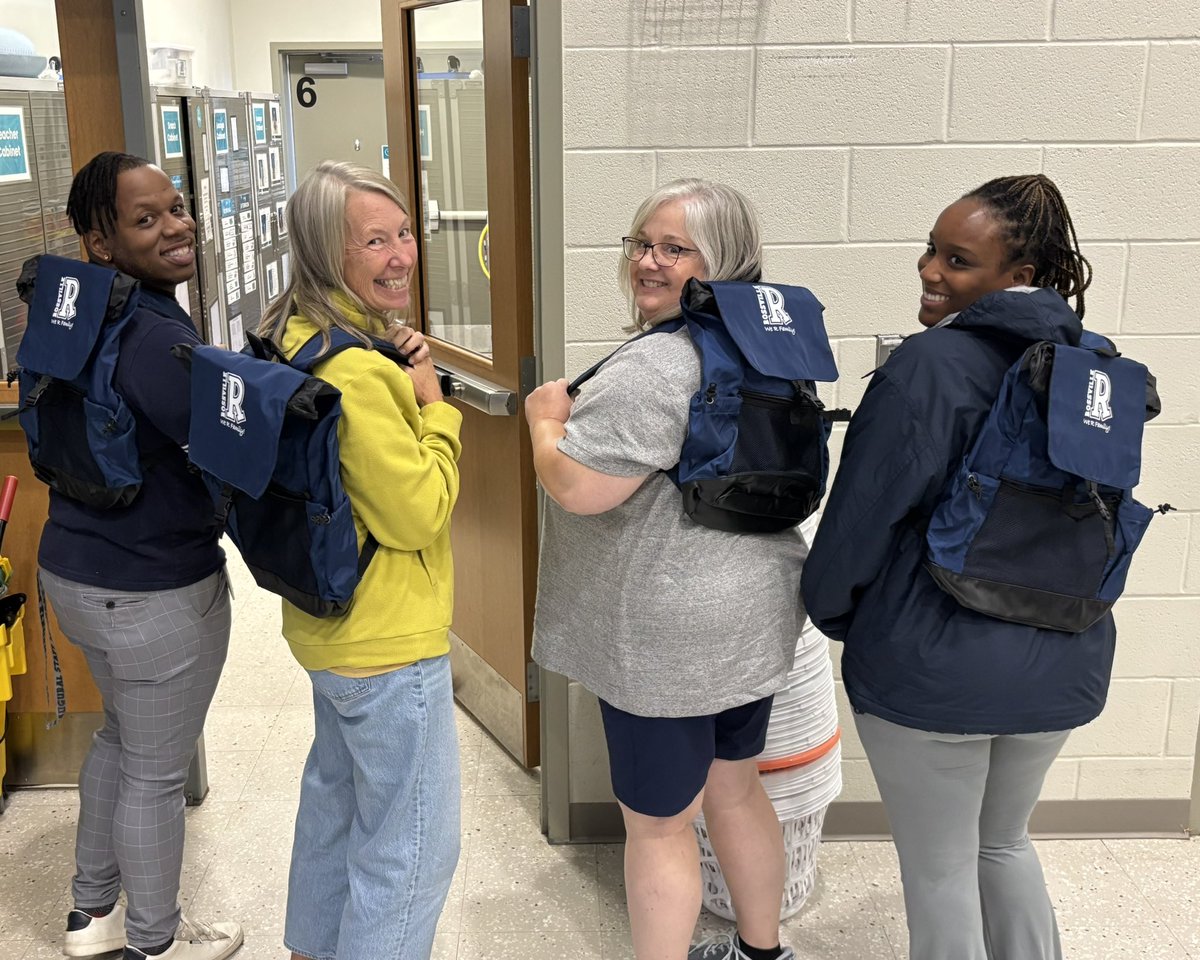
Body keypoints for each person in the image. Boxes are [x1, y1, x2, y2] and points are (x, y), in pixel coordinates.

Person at [801, 174, 1106, 960]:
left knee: (939, 872)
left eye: (958, 259)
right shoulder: (1095, 372)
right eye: (931, 250)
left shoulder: (929, 368)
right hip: (1061, 661)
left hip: (932, 668)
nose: (930, 271)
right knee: (1002, 846)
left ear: (1021, 277)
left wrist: (844, 619)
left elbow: (859, 521)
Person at [527, 179, 803, 960]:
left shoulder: (657, 367)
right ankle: (762, 950)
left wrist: (542, 425)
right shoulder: (768, 351)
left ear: (722, 263)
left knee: (657, 824)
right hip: (752, 613)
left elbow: (579, 486)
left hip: (668, 638)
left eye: (674, 249)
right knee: (736, 787)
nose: (648, 261)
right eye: (641, 243)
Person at [255, 160, 462, 960]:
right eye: (373, 242)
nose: (399, 255)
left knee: (335, 810)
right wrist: (436, 409)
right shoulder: (360, 373)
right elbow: (417, 511)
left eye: (404, 233)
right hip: (387, 644)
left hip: (327, 627)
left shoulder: (295, 335)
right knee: (409, 849)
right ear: (324, 252)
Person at [38, 152, 243, 959]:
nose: (177, 227)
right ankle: (156, 944)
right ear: (99, 239)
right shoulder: (154, 333)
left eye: (178, 207)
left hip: (76, 571)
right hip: (151, 588)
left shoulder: (78, 312)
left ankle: (92, 917)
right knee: (156, 772)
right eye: (146, 219)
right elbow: (225, 449)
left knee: (120, 740)